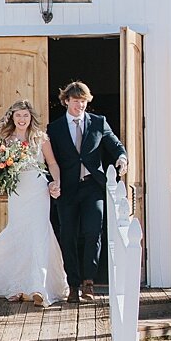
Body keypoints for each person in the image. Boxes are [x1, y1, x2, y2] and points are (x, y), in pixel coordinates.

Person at [0, 101, 65, 307]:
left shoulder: (40, 138)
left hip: (38, 190)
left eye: (25, 115)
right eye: (18, 116)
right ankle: (17, 285)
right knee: (18, 234)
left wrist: (55, 182)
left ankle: (39, 286)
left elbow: (52, 163)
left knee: (38, 234)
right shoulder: (7, 140)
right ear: (12, 118)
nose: (22, 119)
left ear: (30, 117)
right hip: (18, 192)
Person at [47, 80, 127, 304]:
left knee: (94, 231)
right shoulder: (54, 128)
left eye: (83, 102)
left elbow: (116, 145)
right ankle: (73, 284)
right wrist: (51, 183)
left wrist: (122, 157)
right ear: (66, 102)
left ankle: (89, 282)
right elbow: (48, 161)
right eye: (75, 102)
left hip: (93, 186)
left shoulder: (98, 122)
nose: (79, 106)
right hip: (68, 189)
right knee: (68, 234)